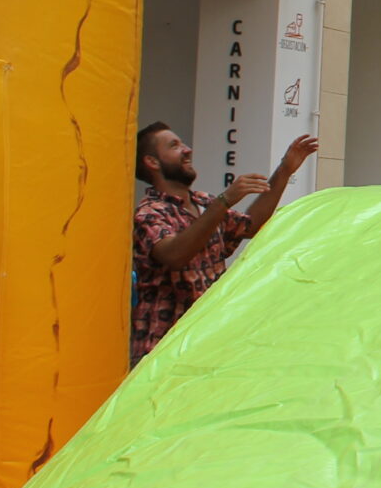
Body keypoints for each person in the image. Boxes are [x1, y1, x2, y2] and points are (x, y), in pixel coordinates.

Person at [130, 123, 320, 361]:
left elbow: (249, 226)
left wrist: (284, 170)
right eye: (174, 145)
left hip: (206, 342)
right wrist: (225, 201)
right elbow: (174, 255)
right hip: (162, 349)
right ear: (152, 162)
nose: (187, 150)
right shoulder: (148, 213)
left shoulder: (203, 202)